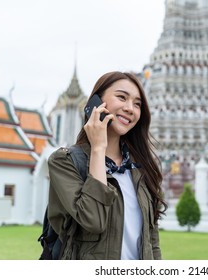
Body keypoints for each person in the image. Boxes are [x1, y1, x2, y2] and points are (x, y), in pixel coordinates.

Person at [47, 71, 167, 260]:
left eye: (137, 104)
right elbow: (93, 220)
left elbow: (152, 242)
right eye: (122, 97)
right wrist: (98, 148)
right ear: (96, 102)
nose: (130, 108)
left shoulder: (140, 169)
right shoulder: (64, 162)